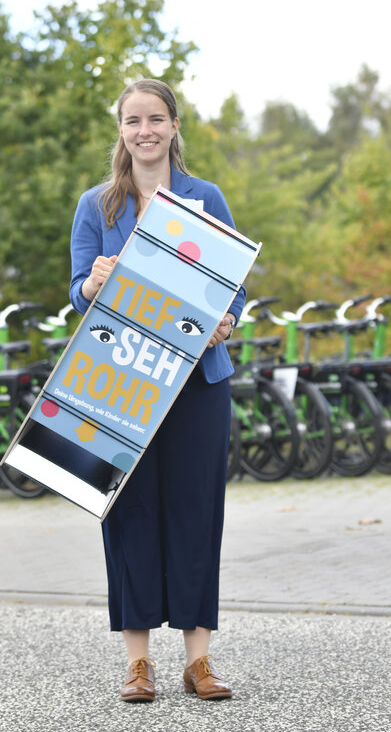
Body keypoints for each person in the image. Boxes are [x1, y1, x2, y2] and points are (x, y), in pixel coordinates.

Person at [68, 78, 245, 703]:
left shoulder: (205, 197)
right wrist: (92, 286)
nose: (144, 131)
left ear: (173, 126)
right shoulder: (97, 206)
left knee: (196, 511)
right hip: (126, 382)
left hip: (196, 382)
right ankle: (138, 663)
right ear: (121, 131)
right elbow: (77, 291)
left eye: (155, 119)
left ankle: (199, 662)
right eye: (132, 121)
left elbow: (234, 284)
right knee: (129, 512)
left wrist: (227, 321)